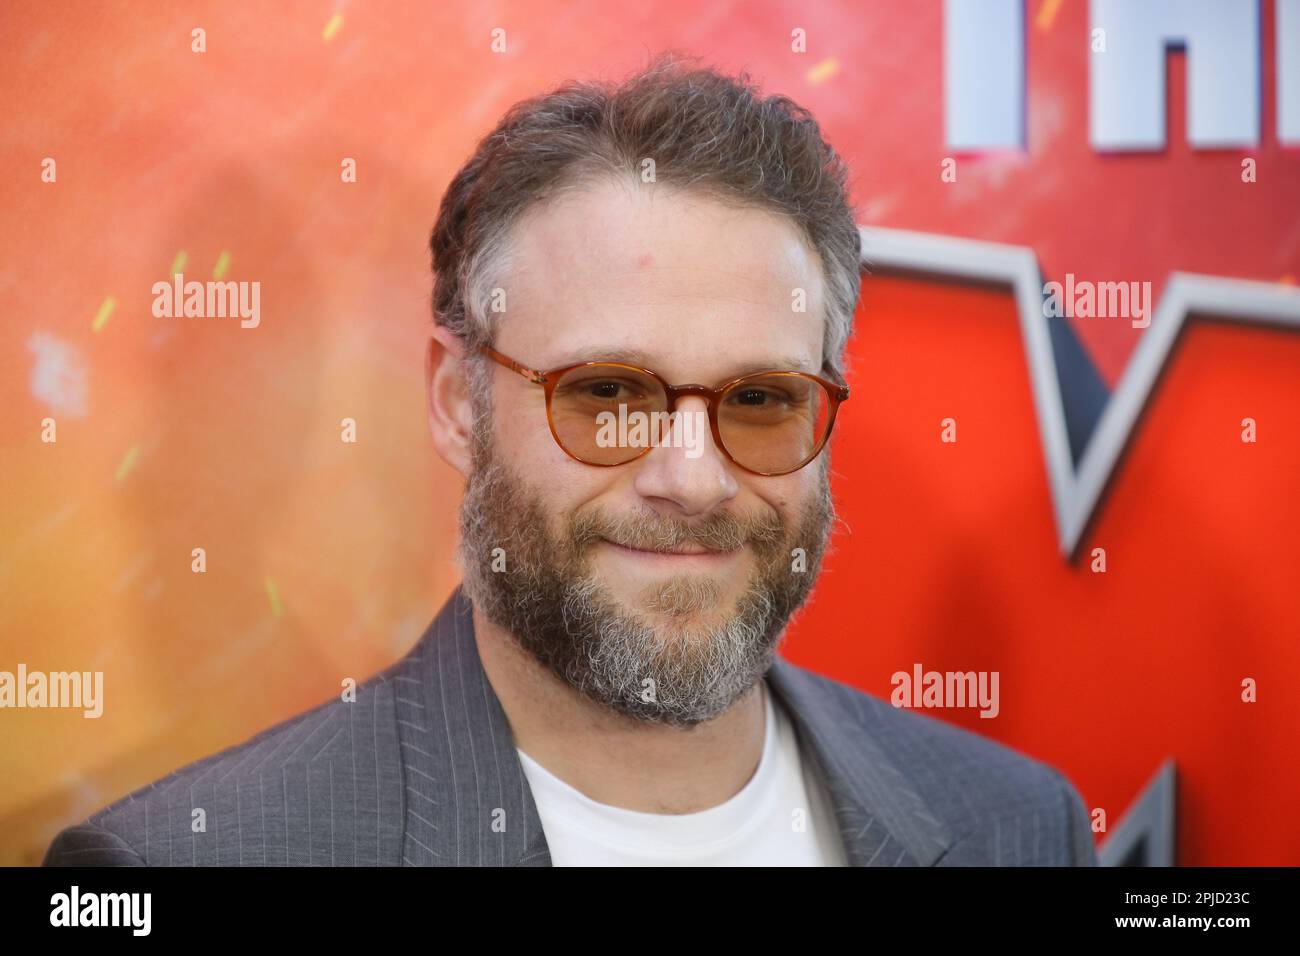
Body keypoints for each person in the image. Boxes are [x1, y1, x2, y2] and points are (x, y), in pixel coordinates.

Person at [43, 55, 1095, 867]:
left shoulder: (1019, 825)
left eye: (760, 399)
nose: (693, 478)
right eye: (607, 394)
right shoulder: (181, 861)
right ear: (458, 406)